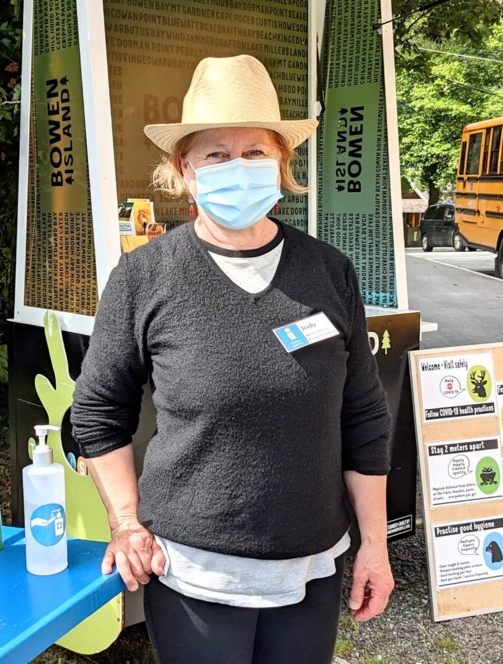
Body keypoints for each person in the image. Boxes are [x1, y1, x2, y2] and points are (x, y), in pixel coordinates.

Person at [70, 54, 394, 664]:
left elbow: (364, 418)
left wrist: (373, 544)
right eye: (215, 154)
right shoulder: (145, 276)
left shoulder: (329, 272)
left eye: (254, 151)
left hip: (311, 567)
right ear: (184, 171)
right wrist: (125, 522)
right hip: (193, 572)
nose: (236, 166)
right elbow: (97, 413)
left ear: (282, 164)